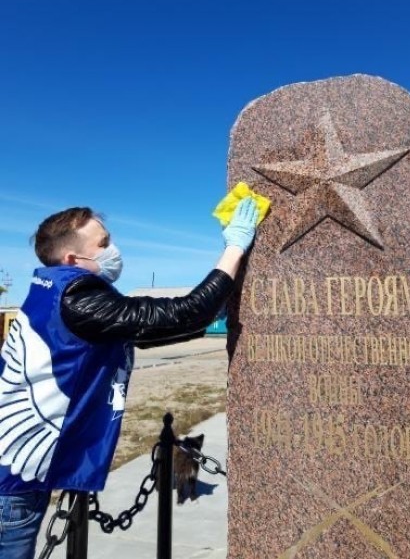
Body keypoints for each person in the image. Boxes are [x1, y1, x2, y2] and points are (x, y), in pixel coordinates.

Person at [0, 196, 258, 559]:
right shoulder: (77, 297)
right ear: (72, 259)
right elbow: (185, 314)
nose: (113, 250)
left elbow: (153, 331)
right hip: (12, 487)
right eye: (103, 243)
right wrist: (235, 247)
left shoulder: (50, 292)